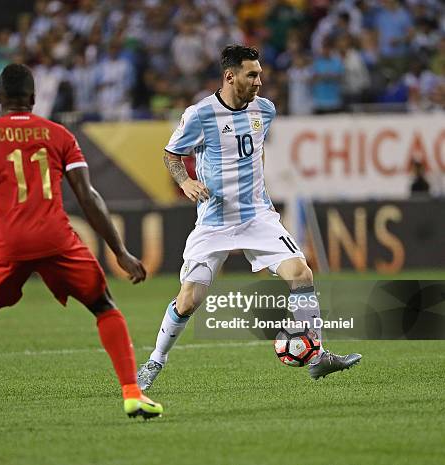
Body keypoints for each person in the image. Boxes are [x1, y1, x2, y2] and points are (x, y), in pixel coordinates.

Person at [0, 64, 163, 431]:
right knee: (103, 306)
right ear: (34, 100)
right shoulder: (59, 134)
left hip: (7, 242)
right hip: (56, 238)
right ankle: (132, 392)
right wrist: (119, 251)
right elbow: (88, 196)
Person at [137, 45, 361, 390]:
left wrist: (259, 191)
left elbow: (256, 151)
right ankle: (155, 360)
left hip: (257, 216)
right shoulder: (200, 115)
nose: (260, 81)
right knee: (189, 300)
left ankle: (317, 355)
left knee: (301, 273)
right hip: (214, 221)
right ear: (231, 76)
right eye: (252, 74)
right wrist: (185, 181)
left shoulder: (265, 110)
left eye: (260, 73)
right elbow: (171, 155)